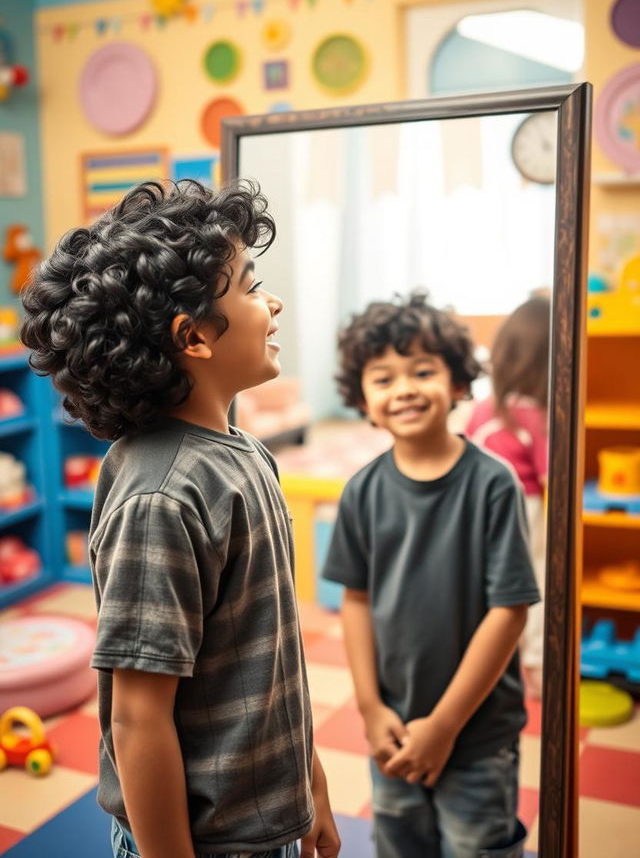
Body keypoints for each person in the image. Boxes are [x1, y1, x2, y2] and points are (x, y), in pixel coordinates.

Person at [20, 180, 340, 858]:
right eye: (251, 288)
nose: (272, 303)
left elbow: (272, 654)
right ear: (193, 337)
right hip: (206, 841)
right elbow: (138, 720)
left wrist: (306, 785)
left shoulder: (242, 450)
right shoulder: (161, 498)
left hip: (265, 817)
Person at [322, 291, 539, 858]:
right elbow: (356, 601)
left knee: (475, 845)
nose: (406, 389)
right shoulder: (361, 493)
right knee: (399, 845)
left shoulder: (493, 484)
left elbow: (509, 610)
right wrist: (370, 710)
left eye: (423, 371)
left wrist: (444, 726)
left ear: (460, 384)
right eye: (384, 378)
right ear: (363, 400)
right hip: (393, 728)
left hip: (475, 733)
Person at [466, 296, 550, 699]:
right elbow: (553, 475)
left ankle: (495, 660)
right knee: (530, 581)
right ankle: (533, 665)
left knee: (488, 581)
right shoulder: (537, 414)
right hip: (524, 505)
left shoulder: (485, 407)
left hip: (476, 503)